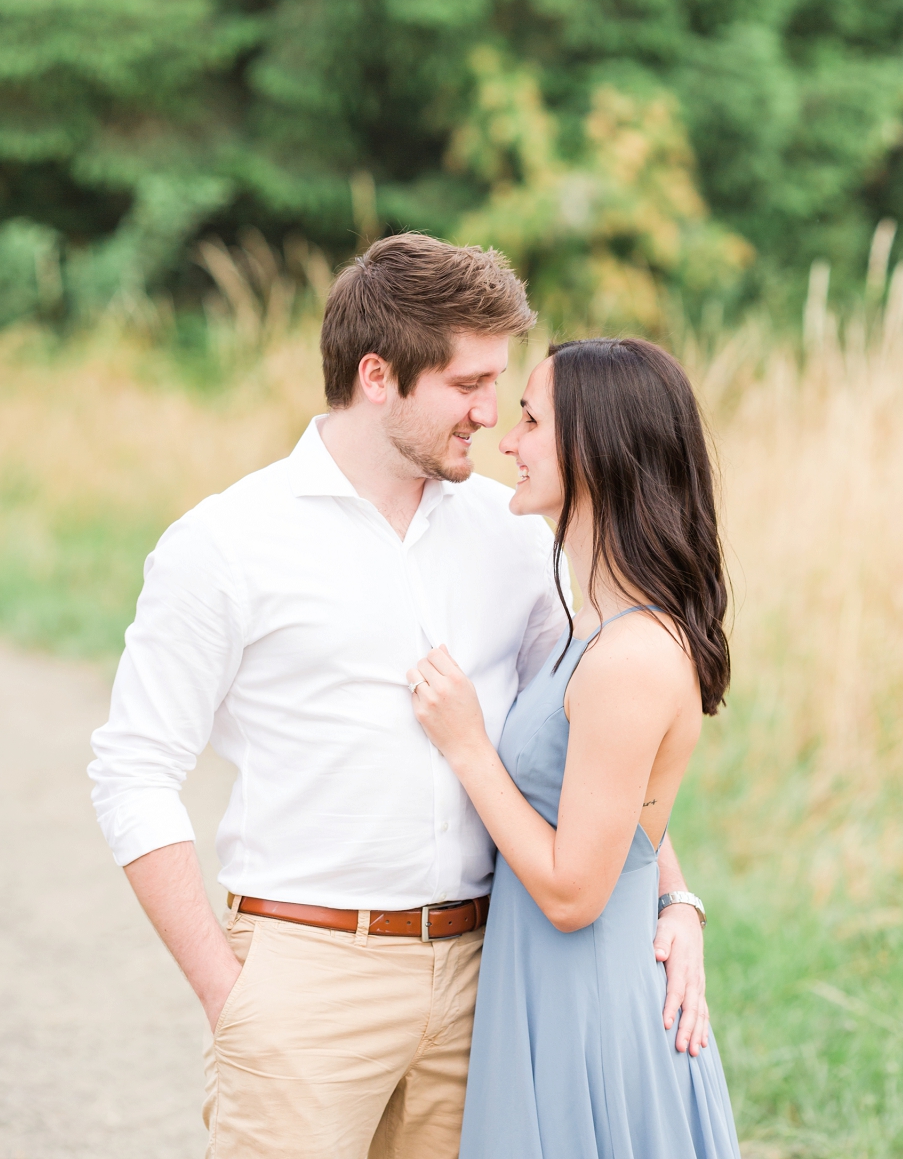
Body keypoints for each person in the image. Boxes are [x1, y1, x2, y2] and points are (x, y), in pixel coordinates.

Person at [88, 234, 711, 1159]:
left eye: (501, 384)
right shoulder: (225, 544)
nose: (491, 415)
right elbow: (132, 772)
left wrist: (676, 901)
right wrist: (232, 994)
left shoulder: (512, 540)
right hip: (306, 980)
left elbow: (584, 754)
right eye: (467, 385)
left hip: (490, 982)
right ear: (377, 376)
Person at [407, 337, 740, 1157]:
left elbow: (571, 892)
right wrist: (679, 897)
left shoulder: (630, 656)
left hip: (587, 1020)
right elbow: (617, 815)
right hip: (555, 999)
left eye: (527, 419)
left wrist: (469, 748)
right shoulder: (595, 625)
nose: (507, 442)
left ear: (594, 448)